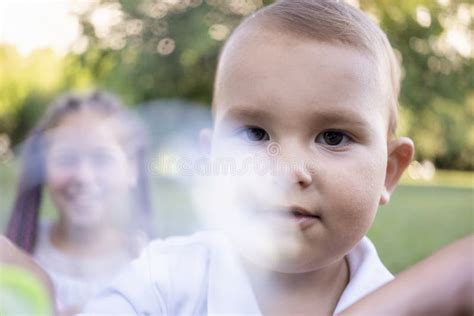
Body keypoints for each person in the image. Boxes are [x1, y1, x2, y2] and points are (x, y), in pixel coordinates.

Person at [83, 0, 418, 314]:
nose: (288, 170)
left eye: (333, 137)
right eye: (255, 134)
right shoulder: (161, 281)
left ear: (388, 172)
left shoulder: (408, 304)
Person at [5, 91, 153, 313]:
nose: (84, 176)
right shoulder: (11, 259)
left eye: (102, 158)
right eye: (66, 158)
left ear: (132, 169)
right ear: (43, 167)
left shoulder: (152, 265)